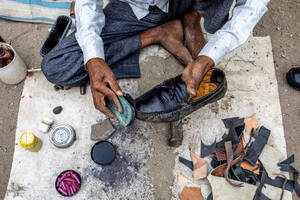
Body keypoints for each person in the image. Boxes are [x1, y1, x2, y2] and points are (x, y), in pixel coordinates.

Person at [42, 0, 269, 120]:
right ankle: (158, 33)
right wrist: (94, 59)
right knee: (58, 66)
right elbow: (88, 4)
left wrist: (210, 56)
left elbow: (253, 5)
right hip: (144, 9)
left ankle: (192, 16)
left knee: (215, 21)